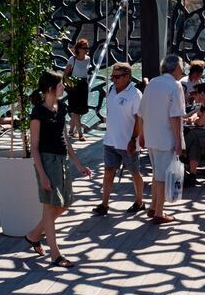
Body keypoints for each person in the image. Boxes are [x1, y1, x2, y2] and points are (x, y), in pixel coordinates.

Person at [24, 71, 93, 268]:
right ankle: (55, 254)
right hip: (46, 162)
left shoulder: (61, 107)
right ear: (50, 88)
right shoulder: (38, 112)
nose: (64, 87)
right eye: (60, 85)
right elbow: (34, 147)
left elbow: (65, 139)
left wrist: (79, 165)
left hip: (61, 161)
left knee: (63, 204)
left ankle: (34, 235)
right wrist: (43, 175)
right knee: (49, 206)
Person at [139, 55, 186, 225]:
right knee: (163, 177)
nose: (183, 70)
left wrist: (142, 135)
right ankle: (159, 212)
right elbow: (176, 116)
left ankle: (153, 206)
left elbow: (141, 112)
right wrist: (179, 141)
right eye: (181, 66)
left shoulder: (152, 83)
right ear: (175, 68)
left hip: (151, 135)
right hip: (166, 137)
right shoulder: (175, 85)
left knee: (156, 173)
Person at [93, 63, 144, 216]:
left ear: (127, 76)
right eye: (112, 77)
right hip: (110, 140)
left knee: (134, 172)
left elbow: (139, 119)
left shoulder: (135, 94)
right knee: (108, 171)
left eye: (117, 77)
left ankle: (139, 202)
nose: (114, 80)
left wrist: (133, 139)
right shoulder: (111, 90)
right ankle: (104, 203)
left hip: (127, 142)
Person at [63, 38, 90, 141]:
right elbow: (65, 74)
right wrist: (70, 83)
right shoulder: (72, 59)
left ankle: (70, 132)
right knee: (76, 110)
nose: (86, 50)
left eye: (87, 47)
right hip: (74, 85)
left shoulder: (88, 59)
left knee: (78, 110)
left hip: (83, 85)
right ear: (78, 49)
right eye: (84, 48)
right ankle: (80, 134)